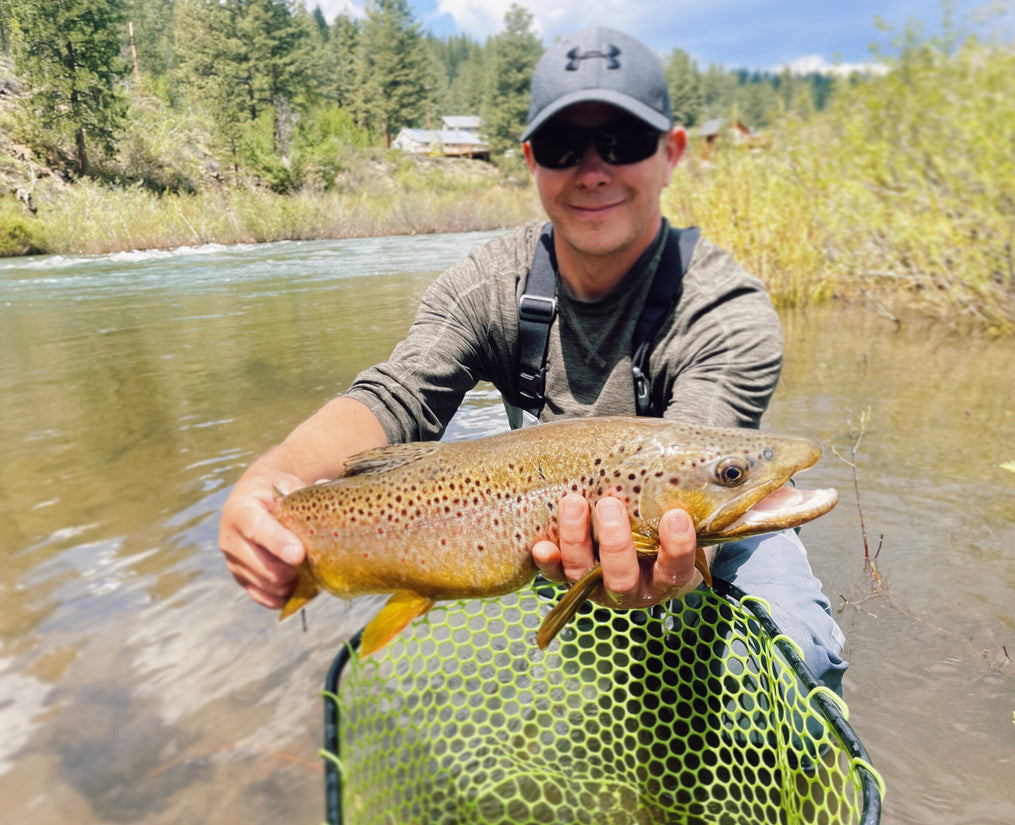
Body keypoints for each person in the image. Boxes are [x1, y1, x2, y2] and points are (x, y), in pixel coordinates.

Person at [218, 26, 847, 692]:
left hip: (708, 539)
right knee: (573, 694)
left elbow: (697, 494)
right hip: (551, 549)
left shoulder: (726, 309)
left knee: (782, 665)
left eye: (624, 142)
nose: (593, 169)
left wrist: (672, 566)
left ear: (673, 152)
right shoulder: (490, 285)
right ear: (530, 161)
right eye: (561, 146)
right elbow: (396, 398)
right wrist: (277, 480)